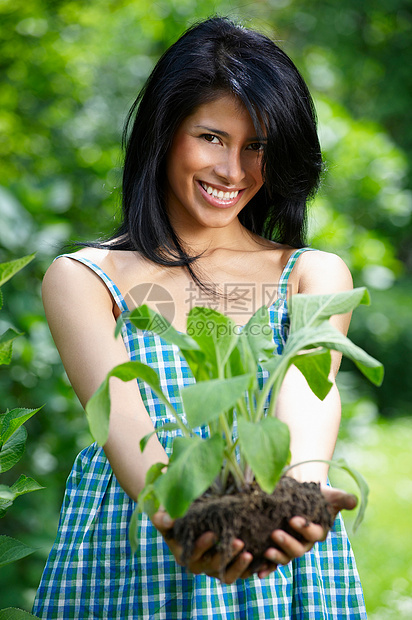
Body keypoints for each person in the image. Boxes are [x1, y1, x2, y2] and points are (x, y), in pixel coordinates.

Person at [33, 16, 366, 619]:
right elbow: (120, 421)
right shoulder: (83, 278)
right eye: (212, 137)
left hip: (280, 554)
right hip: (133, 547)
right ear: (165, 133)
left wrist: (300, 501)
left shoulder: (314, 274)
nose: (233, 172)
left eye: (257, 146)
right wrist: (177, 518)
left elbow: (310, 395)